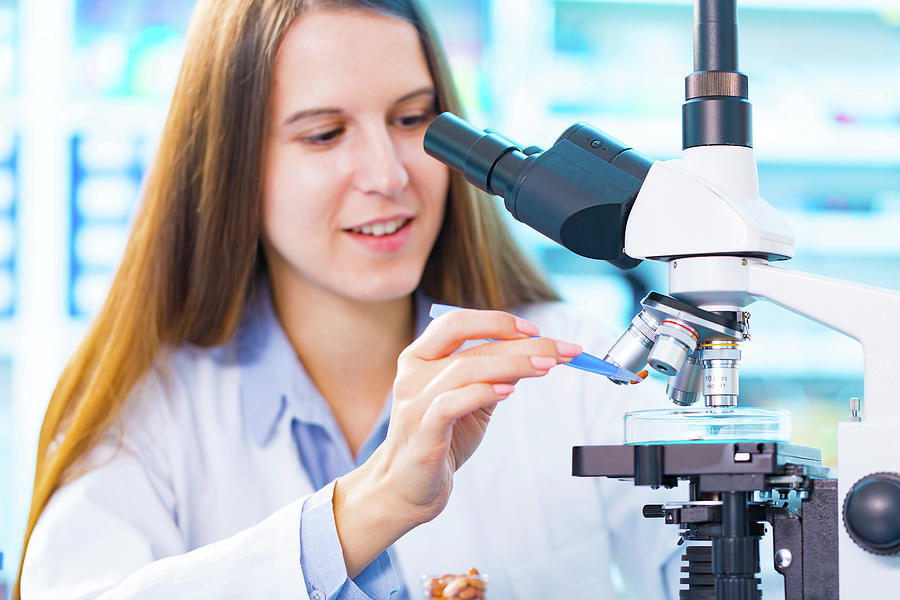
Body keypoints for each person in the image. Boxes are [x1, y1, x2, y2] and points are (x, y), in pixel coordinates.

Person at [16, 0, 683, 598]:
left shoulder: (577, 371)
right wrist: (372, 506)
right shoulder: (148, 414)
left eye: (412, 119)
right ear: (232, 166)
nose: (388, 175)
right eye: (324, 133)